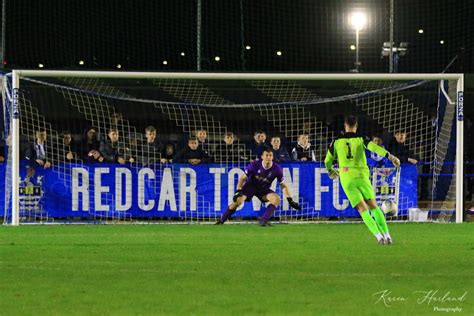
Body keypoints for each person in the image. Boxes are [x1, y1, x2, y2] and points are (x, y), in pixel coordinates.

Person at [324, 115, 400, 245]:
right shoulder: (361, 139)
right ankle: (387, 236)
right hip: (362, 176)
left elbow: (327, 161)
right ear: (356, 126)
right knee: (373, 206)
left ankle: (378, 237)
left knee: (362, 209)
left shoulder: (336, 141)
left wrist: (330, 170)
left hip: (347, 177)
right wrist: (390, 156)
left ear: (345, 125)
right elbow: (375, 148)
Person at [216, 146, 301, 226]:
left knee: (276, 199)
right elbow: (242, 178)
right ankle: (221, 220)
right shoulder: (254, 165)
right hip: (250, 187)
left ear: (272, 157)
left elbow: (284, 185)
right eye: (266, 155)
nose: (268, 157)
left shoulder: (277, 169)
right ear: (262, 156)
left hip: (263, 190)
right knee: (238, 201)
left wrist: (290, 200)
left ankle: (263, 221)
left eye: (270, 155)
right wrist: (238, 191)